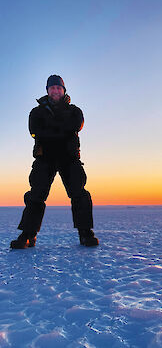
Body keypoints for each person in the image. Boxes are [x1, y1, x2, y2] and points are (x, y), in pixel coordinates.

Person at [10, 75, 99, 249]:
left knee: (79, 194)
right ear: (48, 91)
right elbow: (35, 130)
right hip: (45, 158)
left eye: (59, 88)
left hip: (69, 158)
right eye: (52, 88)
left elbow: (76, 125)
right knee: (36, 195)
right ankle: (28, 235)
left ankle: (85, 233)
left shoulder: (75, 111)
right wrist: (60, 131)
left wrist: (50, 130)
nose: (56, 91)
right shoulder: (36, 112)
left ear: (64, 90)